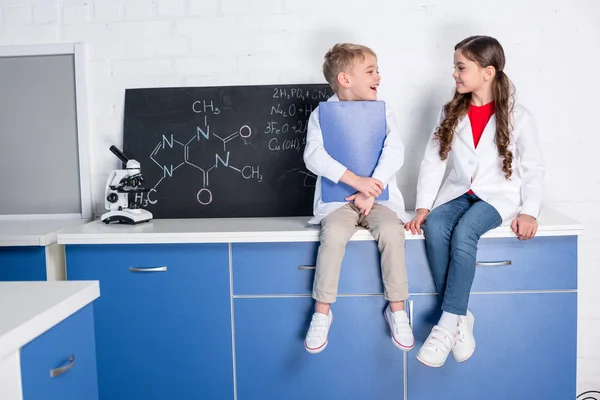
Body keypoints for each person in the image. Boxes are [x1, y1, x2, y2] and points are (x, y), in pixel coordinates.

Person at [405, 35, 545, 367]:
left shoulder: (518, 116)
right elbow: (433, 160)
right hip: (457, 191)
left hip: (498, 196)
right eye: (455, 67)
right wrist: (424, 206)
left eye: (461, 67)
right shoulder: (450, 111)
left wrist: (530, 211)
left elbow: (534, 166)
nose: (455, 74)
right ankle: (459, 318)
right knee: (437, 224)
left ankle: (446, 321)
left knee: (465, 230)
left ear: (488, 71)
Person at [302, 43, 414, 354]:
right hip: (338, 201)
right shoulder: (321, 115)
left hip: (380, 200)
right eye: (371, 71)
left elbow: (395, 151)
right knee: (334, 234)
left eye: (377, 70)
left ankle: (397, 310)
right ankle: (322, 312)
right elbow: (314, 156)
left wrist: (371, 190)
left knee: (393, 232)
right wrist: (356, 182)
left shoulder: (384, 111)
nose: (379, 76)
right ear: (345, 79)